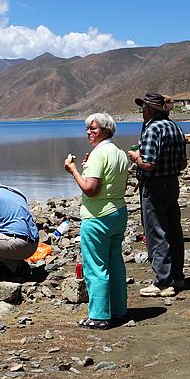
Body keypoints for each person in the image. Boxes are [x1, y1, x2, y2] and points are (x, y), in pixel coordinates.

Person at [65, 112, 132, 329]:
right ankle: (119, 310)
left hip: (97, 217)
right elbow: (111, 181)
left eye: (93, 129)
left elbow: (90, 189)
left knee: (95, 267)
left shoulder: (98, 154)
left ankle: (99, 316)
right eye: (87, 129)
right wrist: (86, 167)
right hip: (118, 213)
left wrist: (73, 170)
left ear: (105, 130)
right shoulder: (119, 153)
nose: (89, 133)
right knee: (115, 264)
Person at [127, 93, 188, 297]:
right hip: (172, 183)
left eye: (143, 108)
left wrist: (136, 158)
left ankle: (163, 281)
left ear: (151, 110)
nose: (141, 111)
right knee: (173, 230)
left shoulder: (152, 129)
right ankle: (177, 276)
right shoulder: (175, 127)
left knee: (156, 231)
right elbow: (183, 163)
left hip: (153, 186)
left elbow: (148, 164)